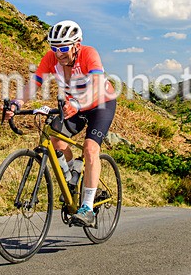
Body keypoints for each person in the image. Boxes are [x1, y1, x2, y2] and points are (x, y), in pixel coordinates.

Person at [6, 20, 117, 228]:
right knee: (55, 139)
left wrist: (78, 103)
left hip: (101, 103)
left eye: (64, 48)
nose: (58, 53)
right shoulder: (51, 58)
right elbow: (34, 83)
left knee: (90, 148)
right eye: (54, 48)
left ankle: (87, 208)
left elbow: (96, 86)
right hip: (74, 105)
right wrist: (17, 103)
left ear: (76, 45)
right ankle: (72, 176)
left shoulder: (89, 54)